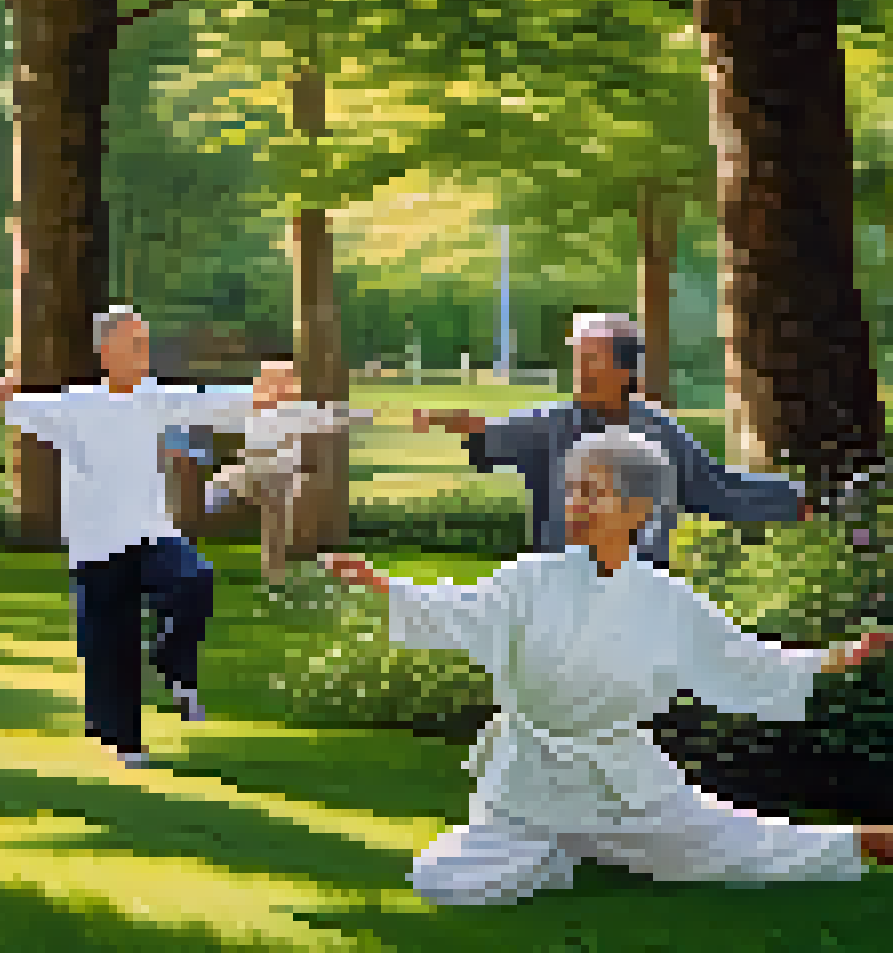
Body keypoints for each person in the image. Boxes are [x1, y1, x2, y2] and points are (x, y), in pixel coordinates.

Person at [324, 426, 893, 905]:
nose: (573, 506)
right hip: (527, 778)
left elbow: (737, 656)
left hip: (620, 782)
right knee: (440, 879)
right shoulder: (530, 577)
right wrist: (384, 584)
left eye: (590, 493)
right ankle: (562, 854)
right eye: (570, 491)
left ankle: (860, 842)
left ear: (638, 509)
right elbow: (461, 608)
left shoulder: (664, 597)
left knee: (716, 849)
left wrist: (829, 660)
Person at [0, 305, 252, 766]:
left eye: (146, 342)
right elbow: (14, 407)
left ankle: (173, 664)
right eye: (135, 342)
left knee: (194, 579)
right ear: (106, 349)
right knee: (109, 648)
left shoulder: (156, 398)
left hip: (150, 534)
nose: (144, 351)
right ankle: (124, 742)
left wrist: (265, 395)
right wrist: (3, 395)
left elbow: (211, 401)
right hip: (95, 546)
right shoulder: (74, 405)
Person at [412, 313, 805, 569]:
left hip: (639, 583)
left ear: (624, 370)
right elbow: (490, 433)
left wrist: (796, 500)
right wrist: (449, 421)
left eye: (592, 360)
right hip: (562, 578)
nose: (580, 371)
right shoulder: (550, 426)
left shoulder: (660, 433)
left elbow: (716, 489)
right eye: (579, 359)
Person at [206, 361, 372, 584]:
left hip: (277, 482)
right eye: (274, 380)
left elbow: (338, 416)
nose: (281, 386)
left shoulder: (300, 412)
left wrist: (371, 415)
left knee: (275, 510)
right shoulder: (252, 409)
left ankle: (274, 576)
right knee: (239, 479)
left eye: (286, 381)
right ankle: (210, 496)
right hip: (252, 474)